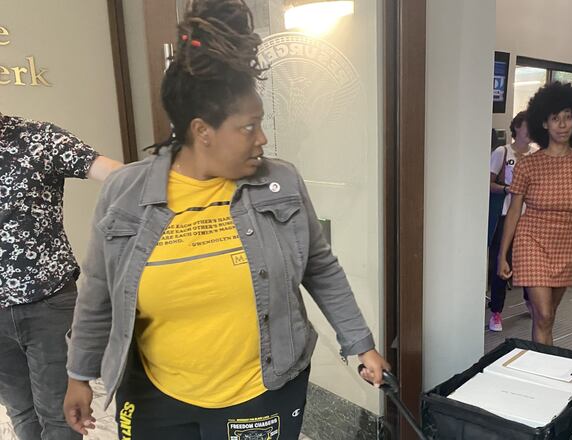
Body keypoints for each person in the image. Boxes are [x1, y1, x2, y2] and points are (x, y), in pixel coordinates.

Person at [62, 1, 389, 438]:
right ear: (203, 131)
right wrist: (79, 374)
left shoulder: (281, 182)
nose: (263, 137)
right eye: (249, 126)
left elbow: (320, 267)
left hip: (262, 392)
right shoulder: (126, 194)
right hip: (157, 395)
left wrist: (360, 342)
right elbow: (100, 292)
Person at [0, 111, 122, 440]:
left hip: (48, 304)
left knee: (58, 417)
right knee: (21, 412)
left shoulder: (39, 138)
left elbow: (112, 172)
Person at [497, 82, 572, 345]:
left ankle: (542, 366)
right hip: (532, 240)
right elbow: (514, 211)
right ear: (544, 124)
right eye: (555, 119)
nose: (563, 124)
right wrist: (502, 255)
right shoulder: (528, 165)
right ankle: (541, 370)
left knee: (549, 317)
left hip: (565, 244)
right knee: (542, 314)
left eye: (567, 117)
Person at [488, 111, 538, 332]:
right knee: (501, 261)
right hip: (505, 215)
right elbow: (487, 183)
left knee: (530, 263)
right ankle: (496, 312)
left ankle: (531, 300)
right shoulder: (503, 152)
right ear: (517, 127)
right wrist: (508, 189)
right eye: (527, 126)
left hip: (531, 218)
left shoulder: (538, 154)